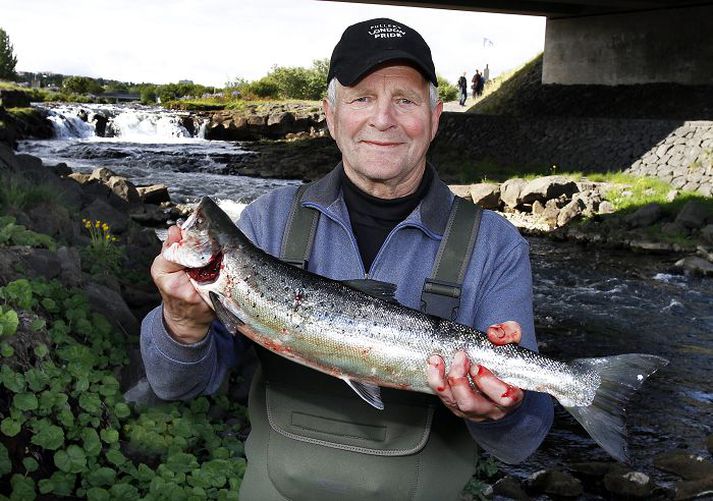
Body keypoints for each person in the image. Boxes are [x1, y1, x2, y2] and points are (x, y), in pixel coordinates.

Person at [141, 17, 553, 501]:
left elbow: (523, 441)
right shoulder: (267, 221)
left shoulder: (495, 246)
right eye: (361, 98)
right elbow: (175, 386)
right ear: (331, 116)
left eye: (405, 99)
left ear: (436, 116)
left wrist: (502, 411)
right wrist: (181, 324)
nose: (383, 119)